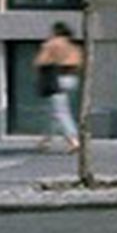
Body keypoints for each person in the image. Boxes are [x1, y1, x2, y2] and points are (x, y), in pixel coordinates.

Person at [33, 21, 82, 153]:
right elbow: (79, 62)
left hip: (56, 79)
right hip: (72, 78)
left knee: (60, 112)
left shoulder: (52, 44)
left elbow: (39, 62)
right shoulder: (73, 45)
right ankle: (45, 141)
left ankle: (73, 140)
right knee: (53, 111)